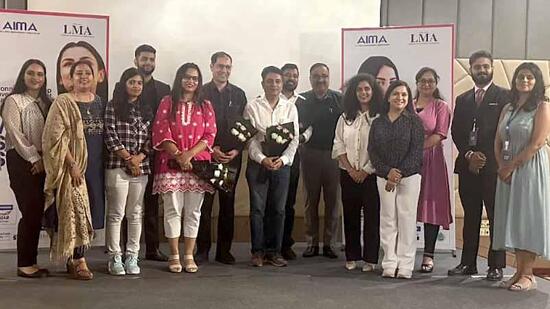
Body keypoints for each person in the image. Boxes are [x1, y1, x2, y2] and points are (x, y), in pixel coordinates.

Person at [43, 60, 105, 280]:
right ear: (70, 78)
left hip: (96, 168)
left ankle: (74, 257)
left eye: (88, 73)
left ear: (96, 76)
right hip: (73, 169)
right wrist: (72, 164)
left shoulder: (100, 102)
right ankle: (78, 260)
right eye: (78, 73)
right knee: (75, 211)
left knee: (89, 214)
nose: (83, 77)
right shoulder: (63, 102)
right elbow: (55, 138)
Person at [151, 63, 217, 273]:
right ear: (180, 78)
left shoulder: (205, 105)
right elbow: (161, 130)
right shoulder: (167, 102)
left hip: (197, 165)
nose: (191, 81)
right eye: (187, 77)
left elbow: (209, 134)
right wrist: (179, 156)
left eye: (195, 78)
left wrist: (188, 155)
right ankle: (174, 254)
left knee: (193, 212)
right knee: (172, 210)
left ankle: (188, 254)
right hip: (170, 163)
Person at [449, 50, 508, 280]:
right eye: (477, 67)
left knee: (495, 217)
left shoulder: (504, 96)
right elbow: (457, 132)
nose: (481, 70)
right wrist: (469, 154)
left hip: (493, 168)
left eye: (485, 66)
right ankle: (468, 264)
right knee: (471, 216)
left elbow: (504, 131)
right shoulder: (462, 99)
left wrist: (485, 157)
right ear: (471, 69)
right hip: (467, 167)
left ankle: (496, 266)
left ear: (492, 68)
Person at [493, 63, 550, 291]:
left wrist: (512, 166)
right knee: (513, 218)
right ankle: (518, 271)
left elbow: (536, 143)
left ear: (536, 81)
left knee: (528, 218)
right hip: (507, 169)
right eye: (520, 76)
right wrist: (501, 165)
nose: (524, 80)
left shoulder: (542, 107)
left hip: (529, 167)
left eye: (529, 77)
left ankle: (528, 274)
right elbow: (497, 139)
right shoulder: (508, 107)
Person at [368, 81, 424, 279]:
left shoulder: (414, 121)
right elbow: (372, 151)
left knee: (407, 220)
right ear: (389, 97)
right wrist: (387, 172)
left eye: (404, 95)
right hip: (384, 178)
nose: (400, 98)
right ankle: (390, 263)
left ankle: (406, 264)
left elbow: (417, 152)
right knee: (388, 220)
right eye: (396, 94)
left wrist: (398, 173)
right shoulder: (378, 122)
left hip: (409, 178)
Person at [1, 59, 52, 278]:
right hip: (22, 162)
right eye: (31, 73)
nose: (35, 78)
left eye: (40, 74)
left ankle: (31, 261)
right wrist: (33, 158)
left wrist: (44, 160)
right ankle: (24, 263)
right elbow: (14, 134)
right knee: (30, 211)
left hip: (44, 163)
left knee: (37, 212)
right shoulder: (13, 101)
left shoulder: (46, 103)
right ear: (23, 75)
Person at [244, 66, 299, 267]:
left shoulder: (290, 108)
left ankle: (274, 252)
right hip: (259, 164)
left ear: (282, 83)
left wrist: (283, 160)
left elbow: (295, 139)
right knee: (257, 209)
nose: (274, 84)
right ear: (262, 83)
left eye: (277, 81)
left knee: (278, 209)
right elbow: (250, 140)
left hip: (282, 164)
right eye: (270, 81)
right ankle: (257, 252)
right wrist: (262, 159)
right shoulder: (252, 106)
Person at [196, 51, 247, 264]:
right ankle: (202, 250)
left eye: (227, 67)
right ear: (211, 67)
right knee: (204, 206)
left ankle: (224, 251)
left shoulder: (238, 94)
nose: (224, 70)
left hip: (230, 158)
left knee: (227, 205)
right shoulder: (201, 92)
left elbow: (245, 126)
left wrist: (237, 149)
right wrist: (210, 149)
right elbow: (196, 124)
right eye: (220, 66)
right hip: (207, 156)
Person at [104, 68, 153, 276]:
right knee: (116, 214)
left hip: (141, 168)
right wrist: (127, 158)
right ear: (124, 84)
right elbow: (110, 134)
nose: (136, 86)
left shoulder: (147, 109)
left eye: (139, 83)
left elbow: (152, 138)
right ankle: (114, 256)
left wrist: (138, 158)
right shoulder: (113, 106)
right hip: (117, 166)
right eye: (132, 82)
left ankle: (132, 255)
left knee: (135, 214)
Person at [332, 73, 382, 272]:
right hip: (348, 174)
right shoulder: (345, 117)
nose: (363, 92)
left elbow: (380, 147)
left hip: (371, 175)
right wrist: (351, 170)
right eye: (359, 89)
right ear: (354, 92)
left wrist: (366, 170)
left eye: (367, 89)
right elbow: (338, 145)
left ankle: (370, 258)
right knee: (351, 216)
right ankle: (351, 256)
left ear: (373, 91)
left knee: (372, 217)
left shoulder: (379, 117)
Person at [299, 63, 343, 259]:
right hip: (309, 155)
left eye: (324, 76)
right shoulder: (301, 101)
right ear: (310, 78)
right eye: (316, 76)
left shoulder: (339, 99)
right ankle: (311, 243)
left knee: (333, 202)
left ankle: (330, 244)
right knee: (311, 202)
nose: (320, 80)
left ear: (329, 77)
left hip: (334, 157)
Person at [133, 44, 171, 262]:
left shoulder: (164, 89)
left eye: (151, 59)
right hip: (131, 154)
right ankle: (130, 249)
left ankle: (152, 249)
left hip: (155, 153)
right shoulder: (125, 84)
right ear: (136, 60)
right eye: (144, 59)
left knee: (152, 203)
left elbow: (165, 122)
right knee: (131, 204)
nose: (148, 63)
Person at [413, 67, 452, 273]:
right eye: (422, 81)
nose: (426, 84)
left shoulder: (441, 106)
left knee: (431, 209)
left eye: (430, 81)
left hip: (433, 162)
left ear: (436, 83)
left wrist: (415, 148)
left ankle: (428, 255)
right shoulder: (407, 105)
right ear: (417, 83)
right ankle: (405, 253)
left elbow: (439, 134)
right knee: (407, 208)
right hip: (408, 163)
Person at [279, 63, 307, 260]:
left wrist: (302, 138)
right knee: (271, 204)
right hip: (268, 157)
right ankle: (268, 243)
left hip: (292, 157)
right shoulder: (268, 99)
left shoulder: (304, 102)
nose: (291, 78)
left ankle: (285, 244)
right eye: (287, 75)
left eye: (294, 75)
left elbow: (309, 126)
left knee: (288, 202)